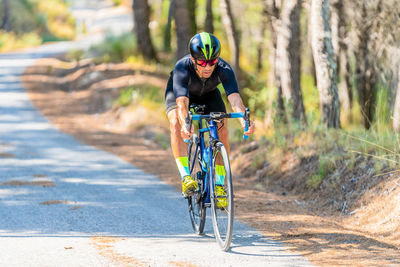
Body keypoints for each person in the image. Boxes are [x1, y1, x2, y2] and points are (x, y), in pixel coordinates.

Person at [165, 32, 255, 207]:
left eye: (212, 62)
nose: (208, 67)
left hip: (208, 95)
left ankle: (220, 185)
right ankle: (185, 177)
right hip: (182, 95)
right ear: (193, 59)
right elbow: (182, 103)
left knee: (222, 126)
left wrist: (245, 121)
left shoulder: (224, 68)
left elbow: (235, 99)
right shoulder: (182, 68)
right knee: (176, 122)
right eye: (202, 62)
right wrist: (186, 124)